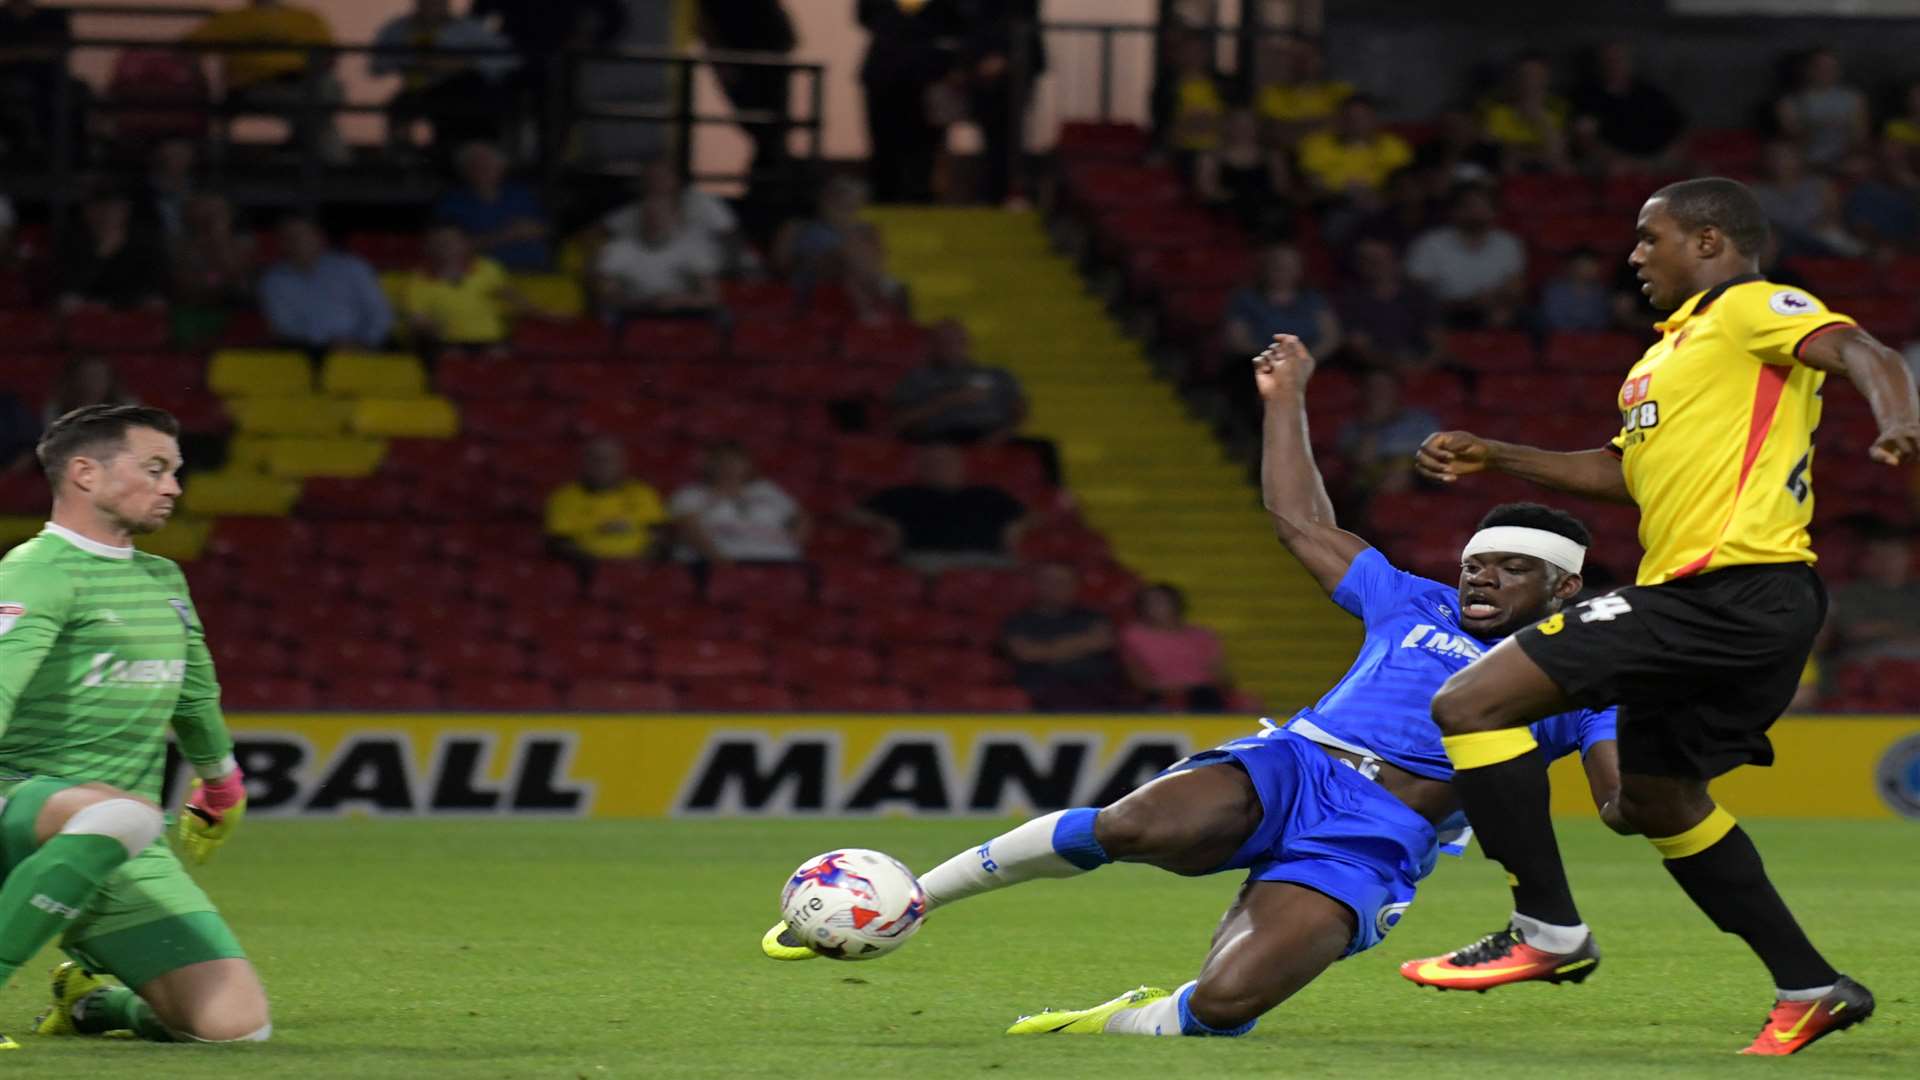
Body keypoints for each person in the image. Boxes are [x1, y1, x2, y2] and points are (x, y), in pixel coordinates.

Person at [759, 334, 1623, 1046]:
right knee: (1139, 822)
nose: (1482, 580)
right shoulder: (1409, 599)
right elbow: (1298, 521)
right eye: (1476, 563)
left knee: (1227, 1006)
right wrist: (1285, 400)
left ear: (1563, 591)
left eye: (1513, 570)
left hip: (1379, 836)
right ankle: (915, 900)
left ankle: (1130, 1021)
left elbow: (1622, 800)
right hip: (1297, 763)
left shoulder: (1584, 674)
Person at [1408, 177, 1920, 1054]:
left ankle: (1546, 930)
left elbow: (1865, 350)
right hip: (1737, 604)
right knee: (1653, 797)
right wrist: (1497, 455)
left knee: (1467, 703)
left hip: (1725, 589)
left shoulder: (1754, 308)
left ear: (1711, 242)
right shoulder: (1662, 358)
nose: (1636, 256)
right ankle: (1810, 985)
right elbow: (1619, 474)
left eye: (1652, 239)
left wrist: (1900, 419)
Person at [0, 404, 266, 1049]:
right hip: (19, 803)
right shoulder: (38, 571)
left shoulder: (161, 578)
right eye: (154, 469)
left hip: (118, 833)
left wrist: (221, 784)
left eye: (175, 471)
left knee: (234, 1028)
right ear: (86, 473)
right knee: (122, 815)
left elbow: (196, 695)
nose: (173, 486)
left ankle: (91, 1004)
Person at [182, 0, 348, 165]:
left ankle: (308, 154)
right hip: (253, 88)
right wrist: (197, 78)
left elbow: (328, 55)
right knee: (318, 110)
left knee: (324, 93)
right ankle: (328, 167)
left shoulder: (306, 18)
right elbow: (188, 48)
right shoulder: (233, 19)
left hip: (302, 84)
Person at [846, 444, 1028, 572]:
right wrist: (882, 522)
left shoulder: (987, 494)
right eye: (935, 463)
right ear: (922, 468)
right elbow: (848, 513)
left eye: (948, 462)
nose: (943, 467)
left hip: (987, 559)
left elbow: (1034, 515)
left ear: (961, 466)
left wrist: (1016, 527)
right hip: (928, 559)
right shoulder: (903, 495)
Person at [371, 0, 517, 158]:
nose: (431, 6)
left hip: (462, 93)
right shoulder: (398, 29)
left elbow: (507, 58)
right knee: (399, 110)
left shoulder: (469, 29)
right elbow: (378, 64)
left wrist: (462, 62)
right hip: (416, 92)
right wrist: (415, 61)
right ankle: (403, 161)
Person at [856, 0, 961, 204]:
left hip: (928, 73)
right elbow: (865, 17)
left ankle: (920, 197)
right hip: (885, 72)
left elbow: (957, 22)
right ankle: (885, 197)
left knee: (925, 147)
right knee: (883, 144)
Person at [393, 224, 550, 357]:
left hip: (492, 341)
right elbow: (417, 319)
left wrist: (539, 313)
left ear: (466, 243)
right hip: (446, 344)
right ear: (430, 247)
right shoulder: (419, 280)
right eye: (441, 242)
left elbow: (513, 297)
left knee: (503, 359)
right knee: (452, 357)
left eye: (453, 241)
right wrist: (428, 328)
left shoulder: (487, 268)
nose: (447, 246)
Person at [999, 562, 1131, 712]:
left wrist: (1047, 651)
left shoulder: (1094, 617)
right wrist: (1085, 643)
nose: (1055, 587)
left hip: (1098, 692)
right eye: (1048, 581)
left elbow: (1103, 642)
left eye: (1062, 582)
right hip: (1043, 692)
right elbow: (1026, 653)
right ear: (1036, 585)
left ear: (1075, 586)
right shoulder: (1018, 621)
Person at [258, 215, 393, 352]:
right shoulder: (273, 281)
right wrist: (327, 345)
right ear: (280, 243)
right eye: (286, 237)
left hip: (364, 349)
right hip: (306, 354)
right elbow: (283, 326)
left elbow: (379, 314)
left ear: (319, 237)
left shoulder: (353, 268)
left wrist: (363, 343)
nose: (294, 242)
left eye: (300, 235)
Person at [887, 319, 1027, 444]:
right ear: (932, 346)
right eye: (944, 342)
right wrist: (948, 400)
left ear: (968, 343)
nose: (951, 347)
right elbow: (898, 422)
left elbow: (1019, 410)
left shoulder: (997, 375)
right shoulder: (918, 379)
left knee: (1040, 448)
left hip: (994, 433)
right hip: (942, 438)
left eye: (957, 341)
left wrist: (1003, 433)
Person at [1405, 183, 1526, 328]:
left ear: (1494, 211)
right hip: (1445, 313)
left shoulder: (1508, 244)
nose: (1476, 211)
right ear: (1455, 211)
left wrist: (1501, 303)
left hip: (1494, 311)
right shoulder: (1429, 244)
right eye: (1470, 206)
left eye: (1483, 206)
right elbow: (1416, 293)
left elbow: (1515, 286)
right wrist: (1466, 303)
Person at [667, 440, 808, 565]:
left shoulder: (767, 490)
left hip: (781, 561)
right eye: (722, 461)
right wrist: (722, 563)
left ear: (748, 465)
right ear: (709, 465)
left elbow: (801, 518)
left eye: (736, 461)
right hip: (725, 563)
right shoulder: (690, 494)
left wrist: (791, 544)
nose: (729, 466)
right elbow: (687, 528)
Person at [543, 436, 667, 563]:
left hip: (640, 566)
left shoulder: (643, 493)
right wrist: (599, 564)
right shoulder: (565, 498)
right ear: (584, 462)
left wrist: (641, 562)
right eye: (596, 459)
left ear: (622, 462)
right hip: (586, 568)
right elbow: (559, 542)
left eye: (609, 459)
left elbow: (658, 533)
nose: (602, 465)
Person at [592, 195, 721, 317]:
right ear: (640, 218)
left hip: (686, 320)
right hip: (632, 319)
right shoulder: (617, 249)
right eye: (650, 216)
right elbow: (605, 298)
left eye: (662, 216)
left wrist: (679, 301)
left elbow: (711, 297)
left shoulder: (695, 250)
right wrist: (647, 303)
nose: (656, 222)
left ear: (676, 218)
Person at [433, 141, 551, 272]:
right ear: (464, 170)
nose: (483, 168)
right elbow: (448, 246)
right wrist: (507, 235)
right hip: (479, 275)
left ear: (502, 166)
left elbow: (545, 228)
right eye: (475, 164)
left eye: (489, 163)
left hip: (537, 271)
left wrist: (533, 230)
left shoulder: (522, 194)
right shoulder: (452, 202)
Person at [53, 185, 168, 315]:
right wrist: (99, 255)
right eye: (98, 207)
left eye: (112, 207)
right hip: (87, 315)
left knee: (155, 304)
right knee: (67, 303)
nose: (105, 215)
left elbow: (152, 288)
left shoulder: (144, 246)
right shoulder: (73, 244)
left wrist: (114, 305)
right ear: (85, 211)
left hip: (132, 312)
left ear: (125, 210)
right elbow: (70, 288)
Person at [1567, 42, 1686, 167]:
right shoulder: (1586, 97)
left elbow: (1681, 131)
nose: (1614, 65)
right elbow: (1584, 139)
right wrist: (1621, 161)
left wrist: (1662, 160)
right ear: (1599, 64)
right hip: (1614, 164)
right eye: (1609, 60)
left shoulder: (1651, 94)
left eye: (1620, 60)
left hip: (1656, 162)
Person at [1119, 583, 1230, 712]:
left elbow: (1218, 672)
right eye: (1149, 602)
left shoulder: (1203, 635)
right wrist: (1173, 691)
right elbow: (1137, 677)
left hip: (1205, 695)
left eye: (1161, 601)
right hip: (1159, 697)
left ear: (1176, 603)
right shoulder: (1132, 636)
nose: (1155, 607)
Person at [1194, 107, 1301, 239]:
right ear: (1228, 126)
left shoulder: (1273, 156)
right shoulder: (1211, 157)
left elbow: (1282, 188)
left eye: (1249, 125)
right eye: (1238, 124)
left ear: (1258, 127)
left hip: (1267, 209)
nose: (1243, 129)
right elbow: (1207, 191)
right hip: (1228, 212)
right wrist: (1240, 198)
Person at [1335, 237, 1439, 370]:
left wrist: (1423, 366)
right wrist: (1395, 366)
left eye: (1379, 260)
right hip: (1373, 370)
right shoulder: (1350, 300)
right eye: (1367, 260)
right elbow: (1359, 348)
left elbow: (1436, 341)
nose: (1373, 266)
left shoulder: (1419, 296)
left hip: (1418, 364)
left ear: (1396, 261)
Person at [1825, 517, 1920, 662]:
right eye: (1878, 555)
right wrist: (1897, 629)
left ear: (1908, 557)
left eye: (1894, 556)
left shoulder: (1915, 590)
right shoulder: (1851, 592)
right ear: (1865, 559)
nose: (1886, 563)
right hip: (1867, 662)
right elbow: (1855, 630)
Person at [1338, 369, 1440, 499]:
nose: (1379, 394)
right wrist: (1372, 424)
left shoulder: (1421, 420)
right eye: (1373, 388)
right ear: (1365, 393)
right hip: (1372, 481)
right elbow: (1358, 461)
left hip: (1418, 477)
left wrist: (1405, 468)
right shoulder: (1352, 427)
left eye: (1385, 388)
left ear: (1397, 391)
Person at [1751, 140, 1863, 258]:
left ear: (1799, 158)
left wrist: (1818, 226)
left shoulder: (1820, 184)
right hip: (1781, 241)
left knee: (1834, 236)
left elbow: (1833, 215)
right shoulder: (1756, 190)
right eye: (1775, 157)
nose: (1781, 162)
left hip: (1817, 236)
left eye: (1787, 156)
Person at [1297, 95, 1413, 200]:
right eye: (1351, 117)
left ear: (1374, 119)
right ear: (1341, 120)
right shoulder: (1318, 145)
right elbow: (1312, 182)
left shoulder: (1394, 146)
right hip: (1333, 204)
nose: (1357, 123)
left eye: (1363, 117)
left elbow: (1406, 183)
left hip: (1383, 204)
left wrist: (1378, 195)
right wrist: (1344, 192)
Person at [1774, 48, 1868, 171]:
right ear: (1807, 69)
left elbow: (1860, 136)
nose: (1825, 72)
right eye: (1819, 67)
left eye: (1830, 67)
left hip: (1845, 158)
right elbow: (1791, 138)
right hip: (1805, 159)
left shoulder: (1854, 98)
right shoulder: (1789, 102)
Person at [1252, 34, 1351, 147]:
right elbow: (1271, 133)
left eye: (1309, 56)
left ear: (1322, 59)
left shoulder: (1341, 93)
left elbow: (1350, 128)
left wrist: (1290, 126)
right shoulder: (1270, 94)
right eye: (1296, 56)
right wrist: (1323, 123)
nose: (1303, 62)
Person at [1149, 30, 1227, 171]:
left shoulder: (1224, 83)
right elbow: (1162, 122)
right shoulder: (1166, 86)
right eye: (1188, 50)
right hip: (1178, 146)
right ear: (1178, 54)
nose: (1193, 56)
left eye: (1199, 50)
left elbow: (1235, 118)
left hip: (1221, 148)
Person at [1478, 54, 1569, 174]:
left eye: (1536, 75)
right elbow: (1493, 151)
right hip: (1509, 174)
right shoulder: (1495, 112)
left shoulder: (1559, 108)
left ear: (1546, 78)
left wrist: (1540, 119)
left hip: (1549, 171)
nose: (1530, 81)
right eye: (1524, 75)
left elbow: (1558, 152)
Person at [43, 356, 136, 428]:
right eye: (87, 376)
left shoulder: (128, 406)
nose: (93, 382)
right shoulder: (55, 409)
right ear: (75, 380)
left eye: (99, 376)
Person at [1538, 248, 1615, 333]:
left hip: (1594, 339)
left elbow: (1602, 320)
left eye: (1592, 266)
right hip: (1560, 337)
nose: (1589, 270)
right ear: (1572, 266)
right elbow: (1553, 319)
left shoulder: (1602, 292)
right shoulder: (1555, 290)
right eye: (1584, 265)